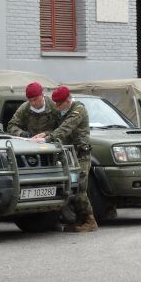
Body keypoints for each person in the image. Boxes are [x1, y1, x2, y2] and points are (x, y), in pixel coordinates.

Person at [34, 86, 97, 232]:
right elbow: (58, 127)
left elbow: (66, 128)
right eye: (55, 103)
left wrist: (49, 138)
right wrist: (45, 134)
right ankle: (79, 220)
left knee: (80, 187)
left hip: (81, 155)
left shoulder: (78, 110)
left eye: (59, 103)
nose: (56, 106)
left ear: (68, 100)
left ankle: (89, 220)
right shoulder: (64, 111)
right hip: (69, 154)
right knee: (70, 189)